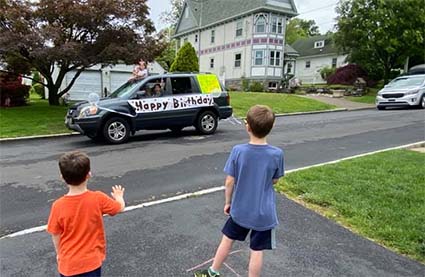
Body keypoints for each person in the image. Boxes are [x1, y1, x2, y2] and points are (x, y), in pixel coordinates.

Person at [195, 105, 284, 277]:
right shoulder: (277, 154)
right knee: (257, 250)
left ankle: (213, 272)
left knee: (227, 240)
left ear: (247, 126)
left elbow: (230, 181)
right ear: (271, 128)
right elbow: (275, 179)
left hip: (240, 209)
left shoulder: (238, 151)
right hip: (263, 213)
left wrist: (228, 202)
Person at [47, 151, 126, 277]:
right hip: (91, 262)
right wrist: (119, 197)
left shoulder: (58, 205)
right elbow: (119, 208)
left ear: (62, 177)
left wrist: (59, 254)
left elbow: (55, 233)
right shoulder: (98, 198)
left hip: (68, 264)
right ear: (89, 174)